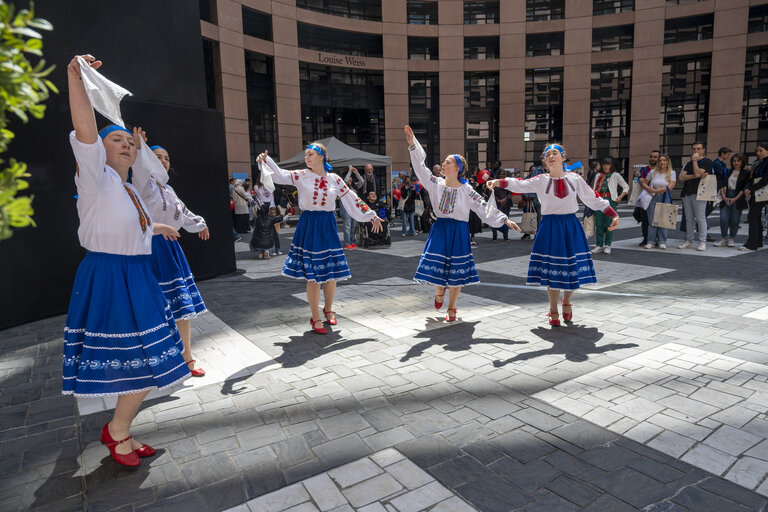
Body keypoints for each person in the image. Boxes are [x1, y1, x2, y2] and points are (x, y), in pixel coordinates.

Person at [64, 54, 189, 467]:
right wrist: (77, 81)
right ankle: (117, 432)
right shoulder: (95, 178)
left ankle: (121, 429)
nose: (128, 146)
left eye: (131, 143)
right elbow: (85, 127)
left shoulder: (129, 190)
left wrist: (157, 228)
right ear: (99, 150)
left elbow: (128, 227)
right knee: (142, 361)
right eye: (118, 140)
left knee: (151, 361)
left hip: (138, 275)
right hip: (111, 277)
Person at [486, 143, 619, 326]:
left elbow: (592, 198)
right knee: (552, 269)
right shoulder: (541, 179)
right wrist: (499, 182)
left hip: (570, 225)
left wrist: (613, 214)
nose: (551, 156)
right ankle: (553, 308)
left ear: (563, 158)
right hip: (550, 226)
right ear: (545, 161)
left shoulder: (575, 179)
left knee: (571, 268)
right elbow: (520, 184)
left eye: (555, 153)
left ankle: (567, 301)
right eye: (547, 154)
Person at [256, 144, 384, 334]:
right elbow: (279, 175)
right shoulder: (301, 175)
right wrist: (266, 161)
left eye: (311, 154)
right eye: (306, 154)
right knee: (314, 275)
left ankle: (329, 309)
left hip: (327, 224)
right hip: (309, 224)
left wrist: (371, 214)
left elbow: (352, 199)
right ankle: (315, 316)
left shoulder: (335, 179)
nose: (306, 157)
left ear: (321, 157)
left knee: (331, 272)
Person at [405, 126, 519, 322]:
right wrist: (412, 145)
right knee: (437, 266)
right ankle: (439, 292)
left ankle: (451, 307)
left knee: (456, 270)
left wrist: (504, 219)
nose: (443, 164)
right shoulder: (435, 183)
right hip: (440, 228)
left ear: (457, 168)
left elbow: (484, 207)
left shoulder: (467, 190)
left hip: (459, 230)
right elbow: (420, 169)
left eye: (447, 162)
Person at [131, 137, 210, 378]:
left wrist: (200, 223)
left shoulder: (168, 189)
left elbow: (184, 214)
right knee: (153, 307)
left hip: (171, 249)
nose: (163, 162)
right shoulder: (142, 184)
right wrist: (139, 147)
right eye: (157, 157)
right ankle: (155, 359)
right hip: (149, 249)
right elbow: (141, 169)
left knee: (180, 306)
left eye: (166, 158)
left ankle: (186, 355)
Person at [677, 141, 713, 251]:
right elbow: (681, 178)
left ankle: (702, 241)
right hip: (687, 193)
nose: (695, 151)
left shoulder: (707, 162)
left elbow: (698, 173)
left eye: (698, 149)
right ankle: (688, 240)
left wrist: (695, 162)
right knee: (689, 218)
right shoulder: (687, 164)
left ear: (703, 150)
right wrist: (695, 175)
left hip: (700, 194)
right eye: (694, 149)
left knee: (700, 218)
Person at [591, 157, 628, 255]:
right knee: (599, 224)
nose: (605, 166)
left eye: (608, 164)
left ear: (611, 165)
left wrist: (620, 197)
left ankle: (608, 245)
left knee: (609, 223)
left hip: (610, 201)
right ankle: (599, 245)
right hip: (599, 201)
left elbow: (626, 187)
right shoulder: (598, 175)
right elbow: (594, 189)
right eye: (604, 164)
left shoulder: (615, 175)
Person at [640, 154, 677, 250]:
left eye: (664, 160)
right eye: (660, 160)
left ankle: (662, 241)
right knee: (652, 220)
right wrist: (648, 188)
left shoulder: (672, 173)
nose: (662, 162)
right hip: (652, 196)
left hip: (665, 196)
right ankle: (650, 241)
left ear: (667, 162)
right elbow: (643, 181)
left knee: (663, 220)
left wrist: (656, 190)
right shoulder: (653, 172)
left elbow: (671, 186)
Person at [715, 152, 748, 247]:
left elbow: (744, 187)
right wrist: (724, 196)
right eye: (734, 161)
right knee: (723, 218)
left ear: (742, 162)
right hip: (726, 195)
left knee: (735, 219)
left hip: (738, 196)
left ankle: (732, 238)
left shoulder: (745, 173)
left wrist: (735, 198)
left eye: (738, 161)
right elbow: (722, 184)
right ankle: (724, 238)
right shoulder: (727, 171)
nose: (736, 163)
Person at [741, 142, 768, 251]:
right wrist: (748, 188)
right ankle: (758, 242)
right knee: (756, 217)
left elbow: (765, 180)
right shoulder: (760, 163)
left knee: (752, 217)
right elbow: (753, 178)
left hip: (762, 193)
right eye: (757, 151)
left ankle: (752, 244)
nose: (758, 153)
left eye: (761, 150)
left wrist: (750, 189)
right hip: (758, 193)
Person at [633, 150, 659, 246]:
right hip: (645, 198)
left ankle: (657, 239)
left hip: (658, 197)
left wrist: (643, 181)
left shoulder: (663, 170)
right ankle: (646, 238)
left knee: (656, 219)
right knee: (645, 220)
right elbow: (641, 181)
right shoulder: (644, 169)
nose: (652, 158)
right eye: (651, 156)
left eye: (655, 157)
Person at [340, 165, 365, 249]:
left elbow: (362, 181)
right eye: (349, 176)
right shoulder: (343, 186)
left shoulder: (354, 186)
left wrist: (356, 172)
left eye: (351, 176)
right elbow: (345, 181)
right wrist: (349, 171)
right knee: (347, 225)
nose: (350, 178)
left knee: (353, 225)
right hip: (345, 207)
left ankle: (351, 241)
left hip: (354, 208)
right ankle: (347, 243)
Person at [490, 168, 512, 241]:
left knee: (506, 219)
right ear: (498, 174)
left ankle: (506, 236)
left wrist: (505, 199)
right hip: (496, 204)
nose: (502, 175)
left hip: (506, 204)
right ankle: (494, 236)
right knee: (494, 219)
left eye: (503, 174)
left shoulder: (507, 182)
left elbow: (510, 193)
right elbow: (491, 193)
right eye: (501, 174)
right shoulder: (494, 183)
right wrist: (498, 200)